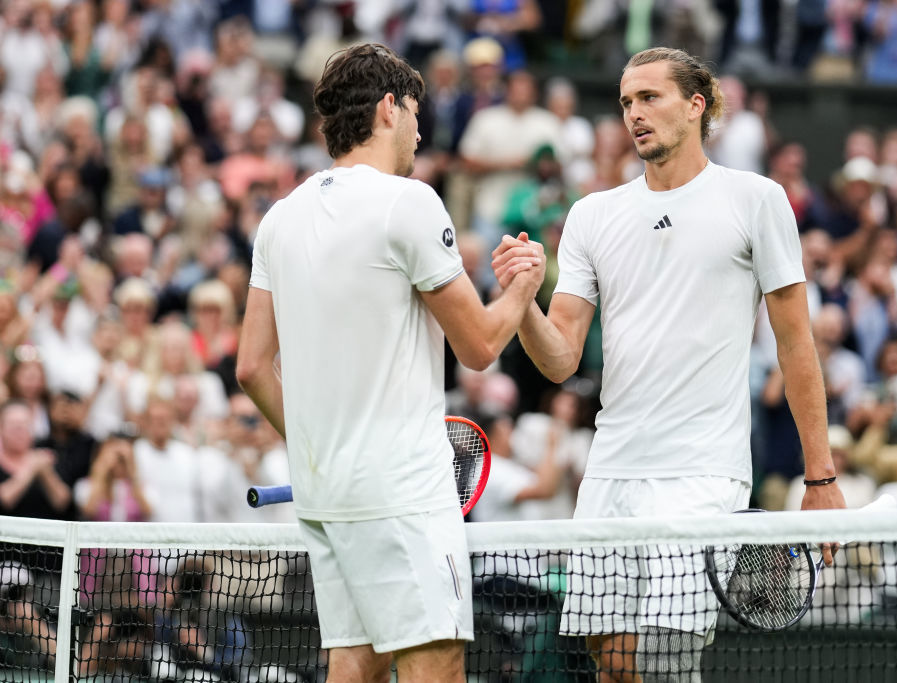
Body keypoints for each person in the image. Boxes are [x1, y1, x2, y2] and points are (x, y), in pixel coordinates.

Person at [491, 47, 846, 682]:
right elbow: (560, 359)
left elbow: (796, 347)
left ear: (695, 105)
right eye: (626, 101)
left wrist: (820, 479)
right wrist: (522, 300)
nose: (634, 113)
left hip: (704, 474)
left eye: (649, 98)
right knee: (614, 667)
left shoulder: (756, 199)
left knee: (663, 665)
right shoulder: (593, 215)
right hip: (612, 472)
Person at [235, 44, 545, 683]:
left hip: (326, 491)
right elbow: (481, 347)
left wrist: (318, 443)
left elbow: (250, 369)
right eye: (414, 113)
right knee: (435, 667)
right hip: (399, 488)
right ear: (387, 108)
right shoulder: (410, 201)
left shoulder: (278, 219)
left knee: (357, 665)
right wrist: (522, 285)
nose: (421, 131)